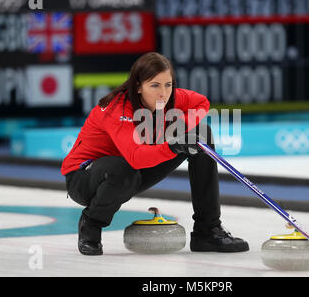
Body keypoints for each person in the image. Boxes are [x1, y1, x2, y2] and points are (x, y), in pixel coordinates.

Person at [61, 52, 249, 255]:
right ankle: (91, 224)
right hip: (84, 178)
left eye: (168, 85)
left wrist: (178, 128)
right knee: (124, 168)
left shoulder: (170, 99)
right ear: (138, 87)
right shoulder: (117, 108)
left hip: (130, 173)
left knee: (200, 135)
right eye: (155, 85)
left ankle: (207, 230)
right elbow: (135, 157)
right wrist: (173, 145)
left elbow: (201, 103)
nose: (163, 93)